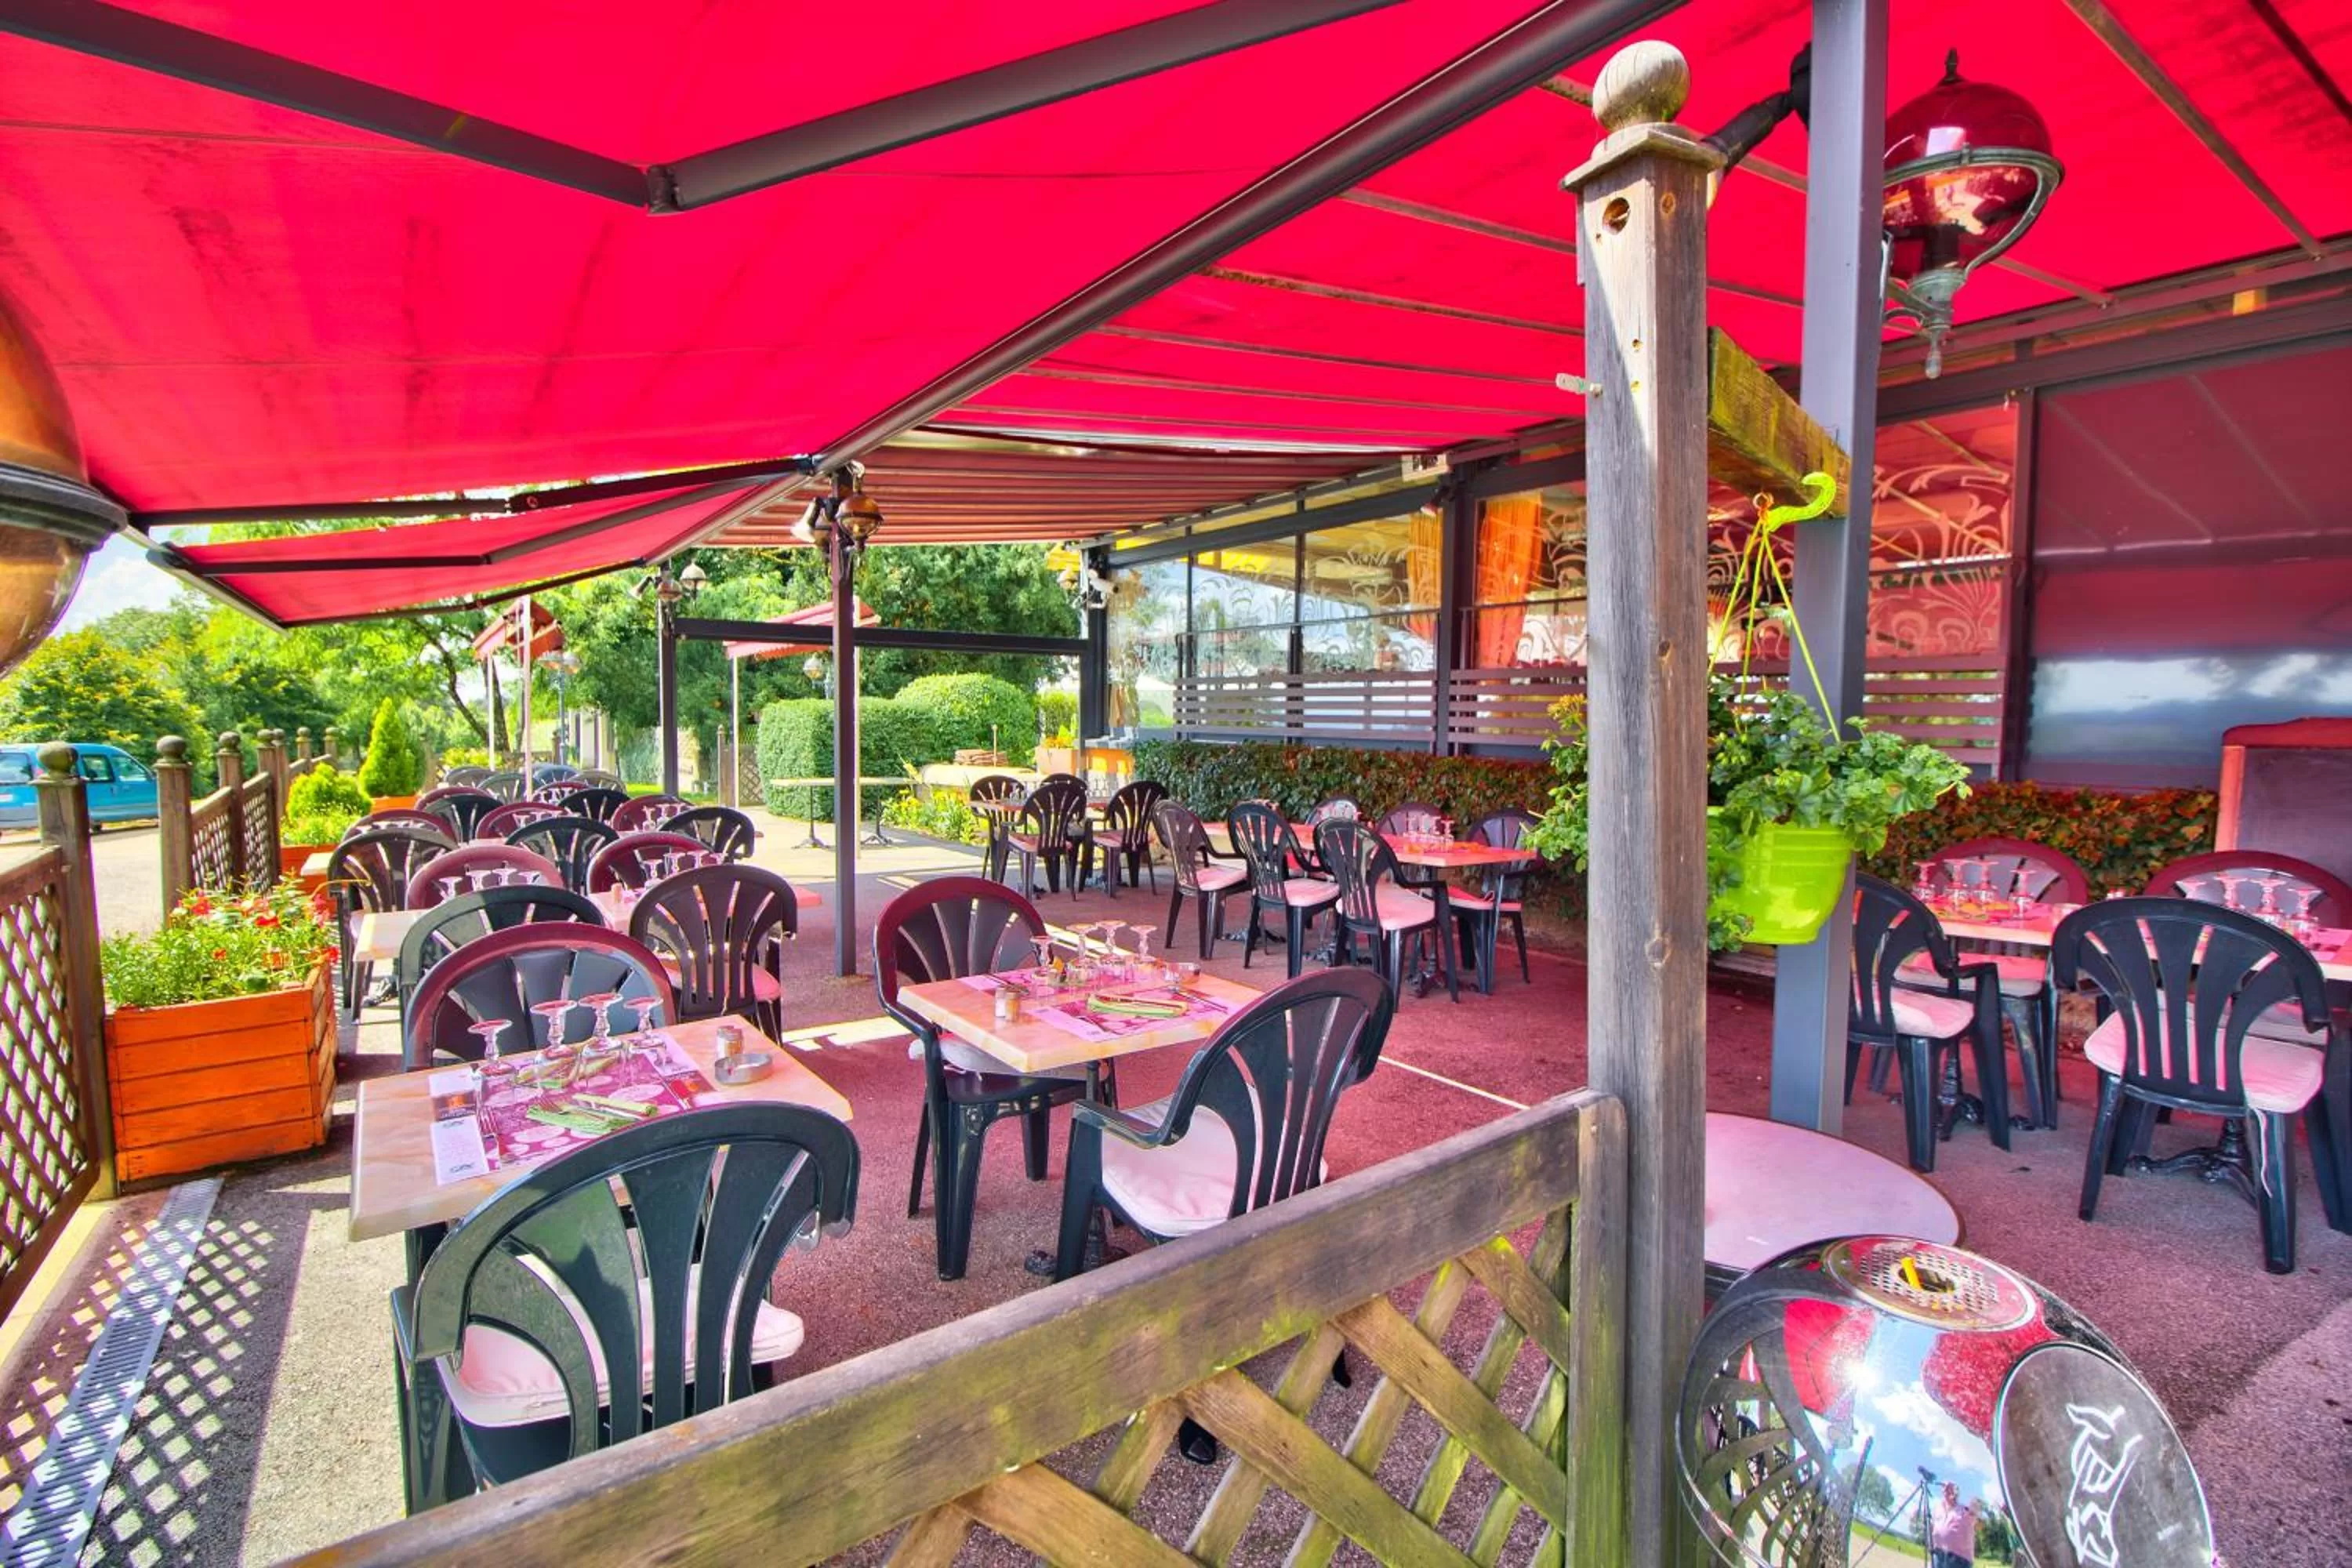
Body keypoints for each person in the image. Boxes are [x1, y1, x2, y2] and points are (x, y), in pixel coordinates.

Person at [1929, 1479, 1978, 1567]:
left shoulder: (1964, 1510)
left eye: (1950, 1489)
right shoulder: (1938, 1509)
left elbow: (1974, 1513)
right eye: (1945, 1489)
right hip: (1938, 1555)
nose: (1947, 1490)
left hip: (1959, 1560)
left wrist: (1974, 1506)